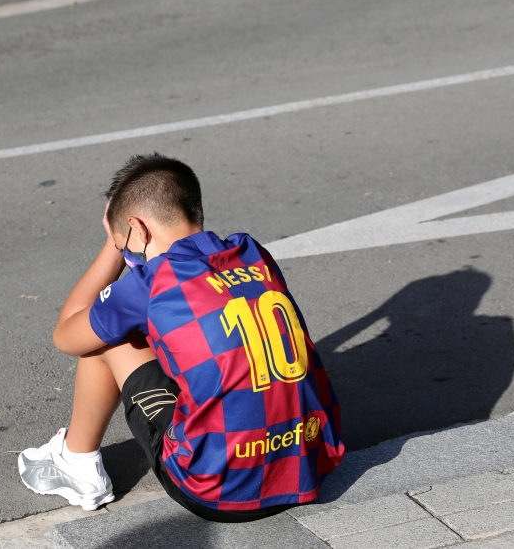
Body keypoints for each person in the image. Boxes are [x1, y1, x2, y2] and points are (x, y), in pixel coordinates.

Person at [18, 154, 344, 521]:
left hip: (219, 489)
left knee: (105, 336)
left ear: (137, 230)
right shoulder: (252, 253)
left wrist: (113, 244)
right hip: (308, 465)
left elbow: (66, 336)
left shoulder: (150, 281)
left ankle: (76, 463)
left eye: (125, 243)